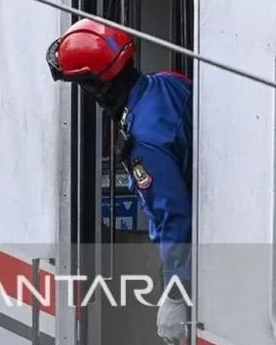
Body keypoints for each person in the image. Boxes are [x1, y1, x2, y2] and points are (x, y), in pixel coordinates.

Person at [46, 19, 193, 344]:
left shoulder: (144, 142)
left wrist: (175, 294)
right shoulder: (165, 83)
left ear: (98, 85)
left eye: (83, 84)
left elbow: (175, 219)